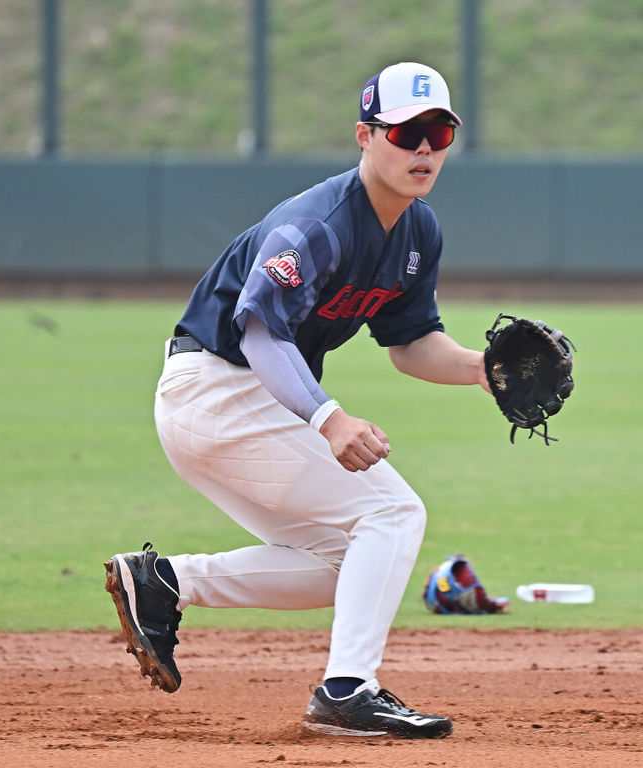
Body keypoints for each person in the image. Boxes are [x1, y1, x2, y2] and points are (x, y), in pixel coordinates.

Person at [104, 61, 488, 740]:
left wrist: (482, 370)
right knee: (393, 511)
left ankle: (165, 581)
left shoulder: (418, 232)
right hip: (216, 389)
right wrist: (327, 417)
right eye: (406, 132)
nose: (424, 148)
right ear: (366, 136)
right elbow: (258, 332)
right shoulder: (315, 226)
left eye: (440, 131)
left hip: (242, 402)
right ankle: (347, 691)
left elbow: (410, 343)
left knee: (349, 560)